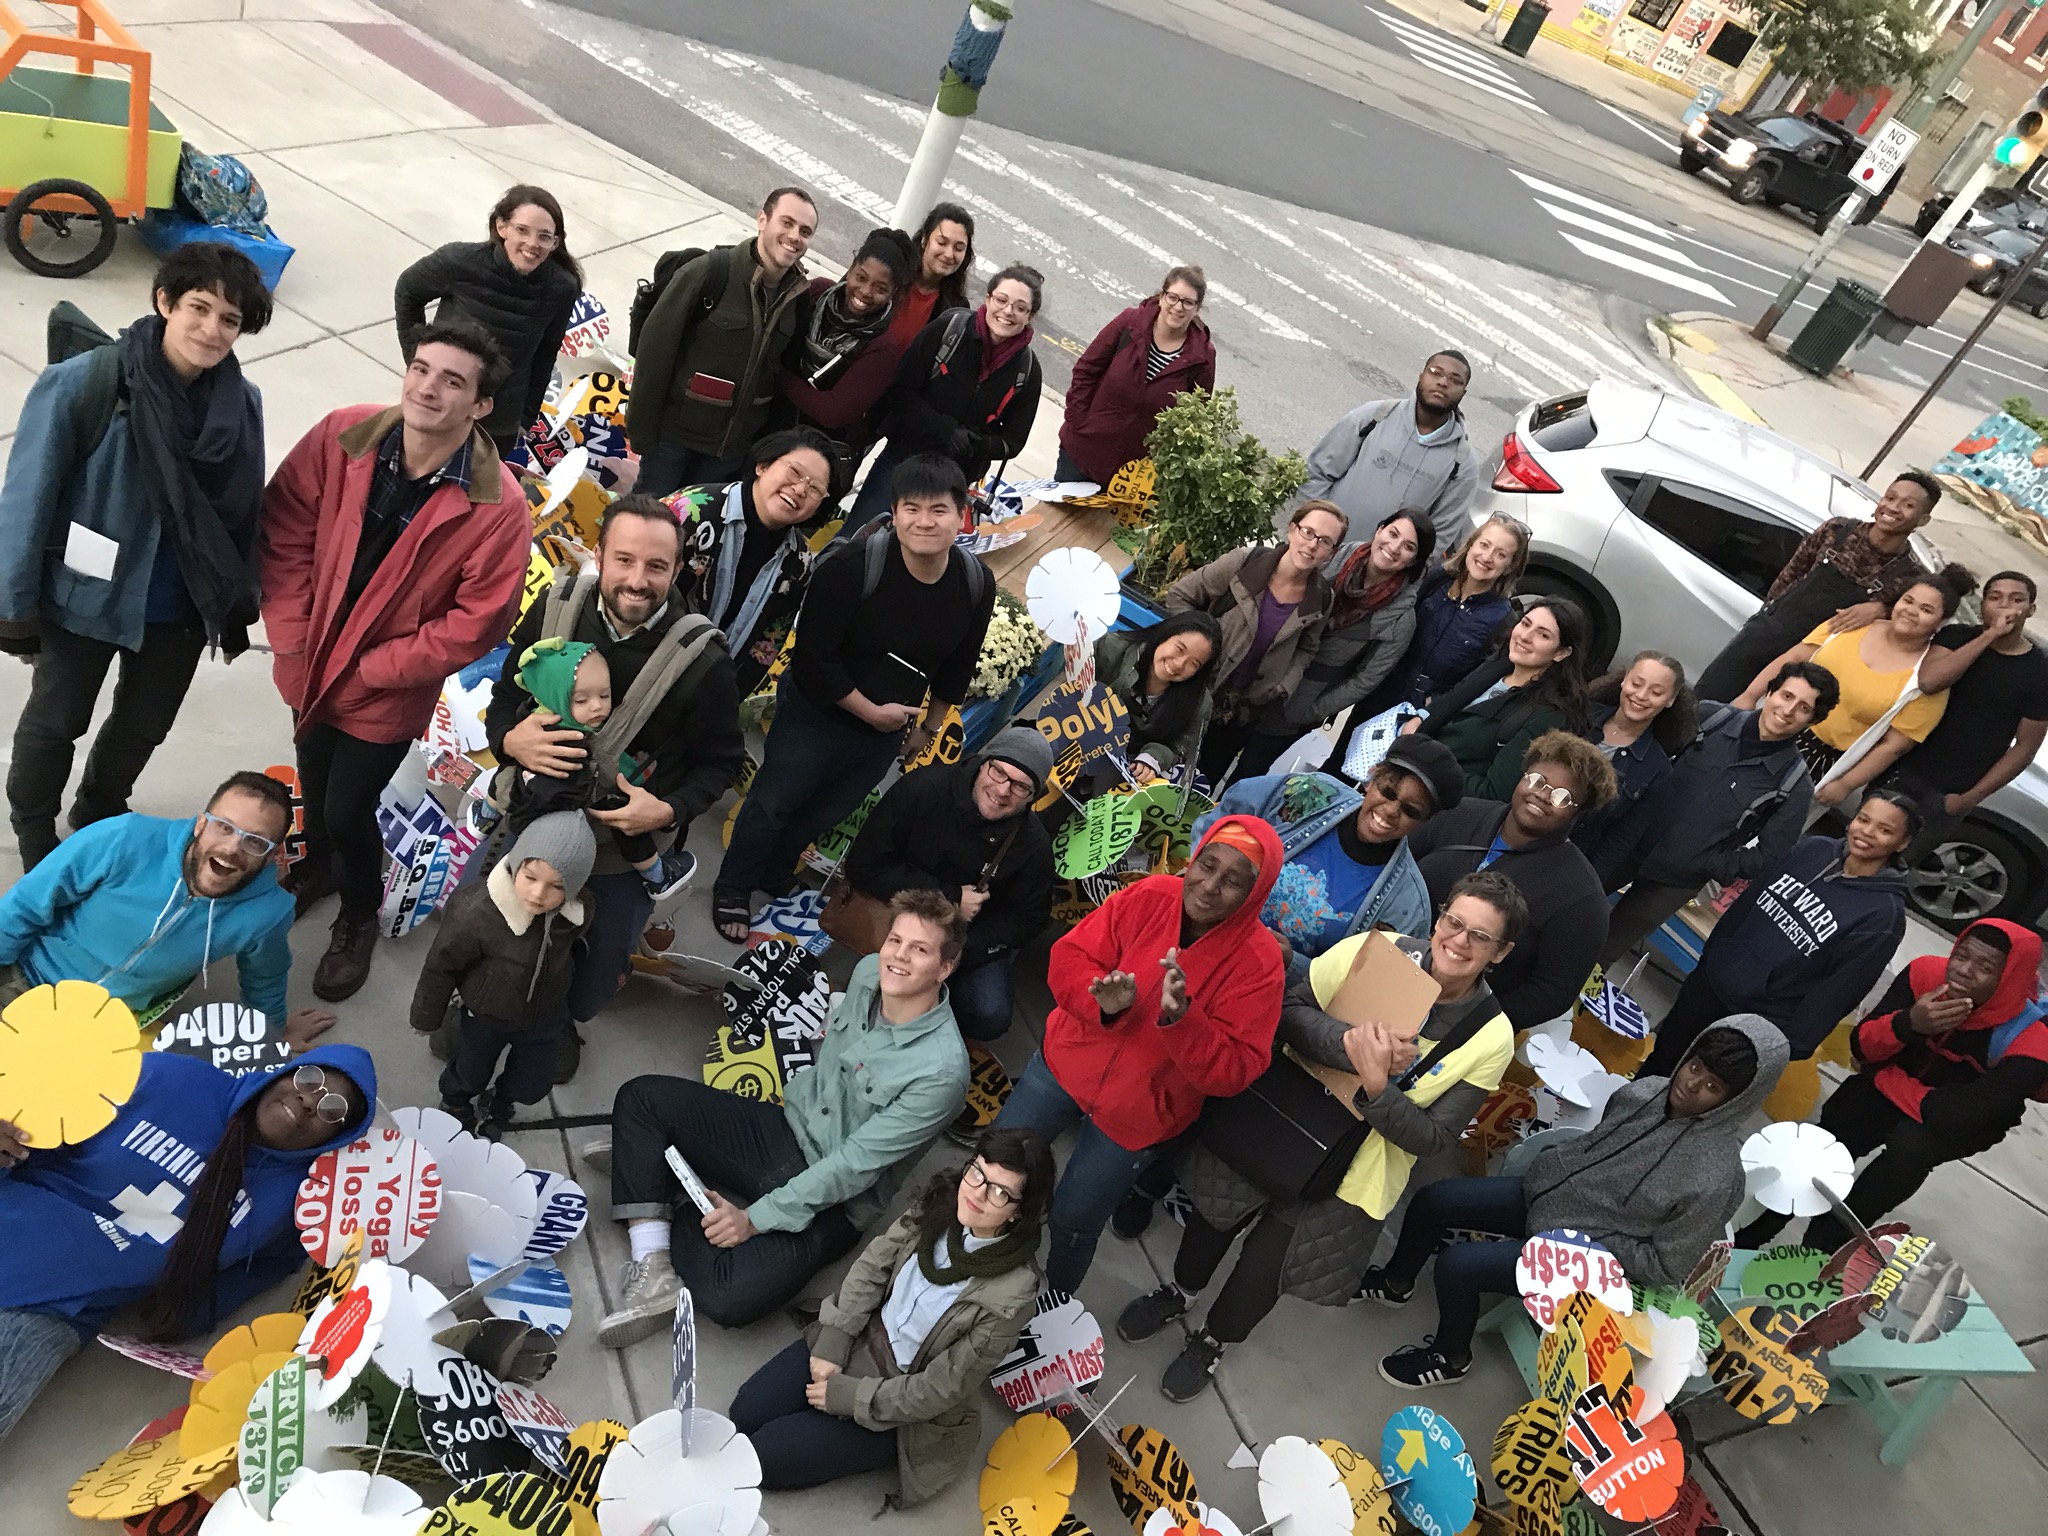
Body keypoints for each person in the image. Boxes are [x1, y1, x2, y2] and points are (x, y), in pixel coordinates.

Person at [1120, 873, 1524, 1400]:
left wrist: (1378, 1086)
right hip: (1283, 1112)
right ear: (1439, 916)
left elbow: (1435, 1139)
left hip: (1352, 1172)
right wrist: (1351, 1046)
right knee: (1211, 1220)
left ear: (1501, 953)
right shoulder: (1374, 953)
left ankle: (1212, 1343)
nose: (1459, 941)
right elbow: (1287, 1010)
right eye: (1454, 922)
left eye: (1481, 937)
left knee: (1266, 1270)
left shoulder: (1492, 1035)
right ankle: (1180, 1289)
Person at [260, 316, 532, 1000]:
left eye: (452, 381)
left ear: (481, 405)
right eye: (421, 369)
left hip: (384, 688)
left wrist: (373, 672)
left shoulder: (498, 505)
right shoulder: (343, 434)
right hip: (311, 658)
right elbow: (286, 529)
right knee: (314, 788)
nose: (428, 388)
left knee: (350, 809)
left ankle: (357, 913)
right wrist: (292, 638)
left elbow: (477, 622)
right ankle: (318, 866)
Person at [589, 892, 972, 1336]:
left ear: (945, 968)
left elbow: (852, 1169)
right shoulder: (869, 973)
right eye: (895, 941)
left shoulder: (941, 1073)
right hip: (784, 1130)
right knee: (640, 1099)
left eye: (919, 949)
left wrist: (753, 1219)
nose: (898, 958)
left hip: (837, 1199)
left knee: (729, 1297)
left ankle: (663, 1182)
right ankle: (653, 1260)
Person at [1, 244, 271, 869]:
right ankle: (35, 826)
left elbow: (244, 510)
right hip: (84, 598)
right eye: (198, 309)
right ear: (164, 303)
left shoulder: (241, 403)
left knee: (142, 727)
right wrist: (15, 608)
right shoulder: (88, 381)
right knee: (55, 722)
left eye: (228, 320)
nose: (211, 329)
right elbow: (26, 498)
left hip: (180, 606)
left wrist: (239, 596)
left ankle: (99, 811)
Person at [1362, 1017, 1784, 1387]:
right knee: (1435, 1201)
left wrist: (1593, 1239)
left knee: (1458, 1267)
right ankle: (1396, 1283)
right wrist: (1555, 1163)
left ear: (1736, 1101)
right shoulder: (1647, 1093)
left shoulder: (1715, 1178)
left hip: (1585, 1256)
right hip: (1547, 1196)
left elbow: (1665, 1266)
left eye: (1712, 1086)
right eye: (1695, 1066)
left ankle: (1452, 1357)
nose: (1690, 1084)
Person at [487, 494, 746, 1080]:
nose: (637, 580)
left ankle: (561, 1024)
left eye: (657, 566)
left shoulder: (703, 660)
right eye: (623, 560)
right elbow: (506, 695)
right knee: (499, 923)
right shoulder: (555, 609)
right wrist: (510, 741)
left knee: (597, 965)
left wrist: (667, 810)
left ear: (678, 569)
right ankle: (488, 1007)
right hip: (537, 816)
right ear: (598, 554)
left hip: (620, 850)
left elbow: (723, 763)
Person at [0, 1044, 374, 1441]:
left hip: (59, 1310)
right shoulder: (170, 1079)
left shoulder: (300, 1201)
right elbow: (50, 1119)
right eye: (309, 1079)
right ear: (283, 1073)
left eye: (333, 1110)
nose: (309, 1100)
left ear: (338, 1135)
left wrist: (182, 1317)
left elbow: (264, 1269)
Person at [993, 817, 1285, 1293]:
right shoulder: (1148, 895)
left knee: (1073, 1219)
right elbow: (1069, 957)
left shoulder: (1260, 964)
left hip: (1136, 1119)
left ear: (1255, 894)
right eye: (1207, 865)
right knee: (997, 1168)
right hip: (1062, 1067)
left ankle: (1052, 1309)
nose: (1210, 886)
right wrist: (1100, 1004)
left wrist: (1182, 1022)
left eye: (1233, 880)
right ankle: (962, 1250)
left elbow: (1236, 1070)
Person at [713, 455, 995, 943]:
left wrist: (926, 729)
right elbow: (813, 658)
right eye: (912, 508)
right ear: (894, 511)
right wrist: (869, 711)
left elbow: (958, 664)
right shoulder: (853, 566)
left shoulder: (974, 583)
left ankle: (775, 871)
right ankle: (733, 886)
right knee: (774, 802)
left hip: (887, 730)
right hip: (817, 711)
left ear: (962, 515)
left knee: (827, 811)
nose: (924, 522)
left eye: (938, 510)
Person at [729, 1127, 1053, 1500]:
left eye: (1000, 1191)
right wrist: (834, 1340)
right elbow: (874, 1266)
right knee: (745, 1413)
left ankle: (870, 1446)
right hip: (867, 1334)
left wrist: (855, 1398)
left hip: (903, 1398)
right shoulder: (943, 1200)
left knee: (762, 1458)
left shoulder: (1012, 1294)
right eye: (978, 1171)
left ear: (1018, 1212)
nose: (977, 1192)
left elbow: (942, 1386)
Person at [1737, 920, 2048, 1255]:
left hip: (1945, 1124)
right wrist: (1909, 1022)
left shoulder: (2031, 1042)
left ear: (2010, 977)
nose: (1964, 971)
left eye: (1985, 967)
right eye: (1962, 955)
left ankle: (1819, 1253)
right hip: (1904, 1094)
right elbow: (1861, 1047)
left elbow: (1956, 1115)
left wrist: (1882, 1076)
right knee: (1835, 1130)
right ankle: (1756, 1231)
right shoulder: (1924, 974)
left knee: (1907, 1154)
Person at [0, 772, 314, 1031]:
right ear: (200, 824)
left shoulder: (268, 913)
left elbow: (264, 980)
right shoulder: (123, 838)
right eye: (224, 827)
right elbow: (25, 905)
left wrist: (272, 1035)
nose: (233, 848)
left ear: (272, 855)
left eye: (255, 841)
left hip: (109, 1025)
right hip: (27, 976)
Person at [1638, 791, 1919, 1078]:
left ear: (1903, 843)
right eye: (1863, 819)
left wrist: (1786, 1044)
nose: (1867, 833)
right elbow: (1748, 903)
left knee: (1694, 1094)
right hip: (1711, 983)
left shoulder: (1883, 916)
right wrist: (1714, 957)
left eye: (1885, 830)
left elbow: (1838, 991)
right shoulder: (1813, 850)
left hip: (1754, 1023)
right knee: (1658, 1064)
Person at [1590, 662, 1837, 965]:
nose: (1787, 711)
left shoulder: (1794, 786)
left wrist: (1709, 863)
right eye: (1786, 696)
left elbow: (1770, 855)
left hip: (1674, 882)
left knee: (1603, 952)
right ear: (1771, 692)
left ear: (1813, 720)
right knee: (1569, 911)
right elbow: (1645, 748)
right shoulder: (1710, 717)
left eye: (1803, 708)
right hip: (1623, 845)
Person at [840, 728, 1057, 1043]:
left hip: (967, 938)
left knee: (990, 1014)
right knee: (878, 990)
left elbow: (1030, 918)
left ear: (1033, 797)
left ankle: (935, 1036)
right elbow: (863, 864)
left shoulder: (1033, 845)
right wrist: (949, 896)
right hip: (896, 912)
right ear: (983, 762)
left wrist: (960, 949)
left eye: (1021, 786)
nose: (1002, 790)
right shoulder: (923, 790)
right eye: (998, 772)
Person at [1196, 736, 1465, 977]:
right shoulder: (1313, 792)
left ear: (1426, 821)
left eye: (1411, 810)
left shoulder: (1408, 905)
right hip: (1199, 938)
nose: (1391, 810)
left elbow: (1364, 990)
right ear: (1372, 777)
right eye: (1388, 792)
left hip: (1265, 995)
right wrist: (1195, 881)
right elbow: (1222, 819)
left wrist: (1294, 965)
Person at [1403, 731, 1616, 1029]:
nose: (1542, 795)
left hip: (1452, 1024)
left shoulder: (1581, 900)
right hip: (1388, 964)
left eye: (1561, 796)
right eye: (1537, 780)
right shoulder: (1458, 814)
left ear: (1578, 813)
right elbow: (1395, 867)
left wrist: (1466, 1020)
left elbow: (1551, 993)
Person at [410, 813, 595, 1138]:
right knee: (470, 1069)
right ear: (516, 865)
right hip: (486, 1014)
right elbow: (441, 965)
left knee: (532, 1081)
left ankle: (502, 1101)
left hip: (546, 1015)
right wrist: (426, 1016)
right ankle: (456, 1101)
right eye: (530, 877)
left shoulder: (578, 910)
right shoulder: (476, 911)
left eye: (556, 886)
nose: (538, 894)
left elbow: (575, 946)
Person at [629, 186, 818, 494]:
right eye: (786, 223)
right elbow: (654, 352)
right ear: (762, 220)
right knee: (645, 523)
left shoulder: (797, 297)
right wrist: (642, 434)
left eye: (805, 231)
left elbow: (780, 376)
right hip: (672, 441)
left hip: (729, 455)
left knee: (695, 534)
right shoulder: (709, 272)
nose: (795, 236)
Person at [1695, 472, 1939, 703]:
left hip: (1812, 671)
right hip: (1764, 639)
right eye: (1890, 497)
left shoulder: (1910, 576)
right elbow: (1789, 576)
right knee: (1705, 701)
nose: (1893, 508)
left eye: (1908, 505)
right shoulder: (1837, 531)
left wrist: (1880, 609)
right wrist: (1768, 620)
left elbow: (1900, 629)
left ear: (1923, 520)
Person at [1233, 510, 1435, 782]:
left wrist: (1314, 710)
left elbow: (1366, 679)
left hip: (1298, 706)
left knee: (1248, 775)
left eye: (1409, 547)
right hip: (1256, 675)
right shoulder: (1333, 556)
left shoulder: (1401, 618)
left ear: (1415, 561)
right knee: (1214, 754)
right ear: (1379, 530)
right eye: (1393, 533)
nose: (1395, 548)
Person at [844, 265, 1046, 535]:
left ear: (1030, 316)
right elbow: (900, 391)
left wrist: (979, 444)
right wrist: (945, 429)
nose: (1008, 311)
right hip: (903, 462)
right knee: (855, 537)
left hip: (952, 484)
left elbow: (1013, 442)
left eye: (1020, 308)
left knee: (912, 556)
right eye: (1001, 300)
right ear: (987, 299)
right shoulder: (950, 329)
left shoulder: (1028, 370)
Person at [1734, 566, 1975, 792]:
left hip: (1818, 764)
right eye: (1908, 601)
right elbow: (1794, 657)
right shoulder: (1851, 624)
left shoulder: (1927, 678)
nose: (1911, 611)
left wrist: (1846, 784)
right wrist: (1749, 695)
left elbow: (1894, 745)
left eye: (1926, 610)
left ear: (1941, 623)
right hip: (1769, 724)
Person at [1325, 514, 1527, 775]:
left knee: (1385, 783)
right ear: (1472, 545)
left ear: (1510, 566)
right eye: (1484, 545)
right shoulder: (1435, 581)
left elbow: (1478, 678)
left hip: (1422, 718)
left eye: (1501, 554)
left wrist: (1435, 707)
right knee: (1338, 766)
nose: (1487, 557)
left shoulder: (1501, 618)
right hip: (1381, 696)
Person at [1163, 501, 1345, 785]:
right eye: (1308, 532)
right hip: (1192, 693)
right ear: (1292, 529)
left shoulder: (1321, 597)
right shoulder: (1245, 563)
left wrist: (1283, 685)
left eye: (1324, 541)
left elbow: (1308, 648)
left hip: (1240, 716)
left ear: (1332, 552)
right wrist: (1191, 653)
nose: (1312, 545)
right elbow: (1181, 596)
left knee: (1199, 785)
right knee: (1157, 768)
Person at [392, 184, 582, 454]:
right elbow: (408, 291)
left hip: (499, 423)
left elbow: (545, 352)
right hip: (439, 406)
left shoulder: (561, 287)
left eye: (544, 237)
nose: (532, 244)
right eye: (522, 230)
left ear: (555, 243)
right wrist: (419, 361)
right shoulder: (459, 261)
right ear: (501, 227)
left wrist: (526, 418)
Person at [494, 641, 693, 897]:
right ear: (558, 697)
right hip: (567, 816)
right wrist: (640, 771)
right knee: (622, 814)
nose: (597, 706)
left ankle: (486, 814)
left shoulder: (531, 719)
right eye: (581, 699)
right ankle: (656, 875)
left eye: (604, 695)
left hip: (524, 807)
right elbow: (613, 766)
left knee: (507, 770)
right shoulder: (573, 736)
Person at [1885, 570, 2048, 858]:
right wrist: (1990, 636)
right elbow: (1931, 681)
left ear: (2030, 609)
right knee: (1858, 846)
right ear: (1983, 605)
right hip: (1900, 768)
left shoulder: (2040, 671)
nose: (2005, 606)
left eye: (2016, 599)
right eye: (1995, 598)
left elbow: (2025, 748)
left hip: (1950, 792)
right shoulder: (1955, 637)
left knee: (1895, 867)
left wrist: (1968, 800)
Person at [671, 427, 836, 694]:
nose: (800, 489)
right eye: (794, 472)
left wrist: (726, 700)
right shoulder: (693, 509)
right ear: (763, 465)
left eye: (815, 488)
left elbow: (767, 645)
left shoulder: (800, 562)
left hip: (705, 695)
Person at [775, 229, 918, 493]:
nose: (865, 292)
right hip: (768, 430)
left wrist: (777, 375)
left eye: (880, 288)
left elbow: (832, 411)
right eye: (861, 277)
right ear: (851, 268)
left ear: (894, 293)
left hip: (814, 462)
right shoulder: (816, 293)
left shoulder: (882, 349)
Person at [1408, 598, 1592, 800]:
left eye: (1543, 635)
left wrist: (1424, 766)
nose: (1525, 637)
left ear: (1561, 653)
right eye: (1525, 624)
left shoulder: (1547, 715)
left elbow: (1494, 791)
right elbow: (1451, 700)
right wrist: (1421, 718)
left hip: (1435, 799)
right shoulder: (1499, 665)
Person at [1297, 351, 1477, 553]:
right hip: (1323, 549)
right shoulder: (1374, 416)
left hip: (1380, 574)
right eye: (1435, 372)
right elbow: (1318, 472)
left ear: (1463, 392)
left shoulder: (1463, 463)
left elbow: (1441, 532)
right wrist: (1315, 532)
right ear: (1421, 376)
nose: (1443, 382)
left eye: (1455, 380)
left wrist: (1402, 573)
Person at [1055, 265, 1217, 487]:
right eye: (1173, 297)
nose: (1178, 307)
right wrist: (1078, 422)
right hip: (1083, 455)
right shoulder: (1129, 323)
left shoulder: (1202, 356)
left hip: (1133, 477)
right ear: (1161, 297)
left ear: (1197, 309)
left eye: (1188, 302)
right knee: (1058, 519)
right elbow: (1086, 370)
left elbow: (1196, 417)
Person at [1569, 651, 1694, 866]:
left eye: (1656, 692)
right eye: (1636, 684)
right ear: (1624, 680)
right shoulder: (1579, 715)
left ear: (1670, 700)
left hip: (1566, 859)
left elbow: (1619, 841)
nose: (1641, 695)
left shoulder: (1657, 770)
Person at [1092, 612, 1224, 784]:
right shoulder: (1112, 648)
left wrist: (1153, 757)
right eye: (1179, 649)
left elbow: (1179, 746)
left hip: (1122, 774)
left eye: (1194, 663)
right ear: (1165, 635)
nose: (1179, 664)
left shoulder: (1199, 704)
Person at [884, 202, 975, 353]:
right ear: (925, 240)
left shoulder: (956, 309)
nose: (949, 254)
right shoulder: (890, 272)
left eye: (959, 248)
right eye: (941, 242)